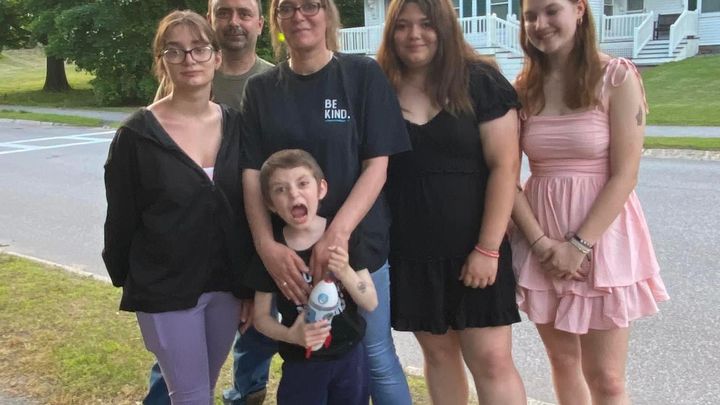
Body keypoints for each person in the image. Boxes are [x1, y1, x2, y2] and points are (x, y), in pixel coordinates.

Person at [240, 0, 413, 402]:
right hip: (290, 253)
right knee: (307, 356)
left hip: (356, 244)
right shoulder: (261, 90)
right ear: (275, 20)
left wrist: (337, 235)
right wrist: (266, 245)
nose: (299, 15)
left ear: (329, 13)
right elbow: (251, 175)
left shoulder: (362, 75)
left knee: (374, 355)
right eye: (287, 7)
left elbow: (377, 166)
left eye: (311, 5)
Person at [510, 0, 669, 403]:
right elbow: (506, 177)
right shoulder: (522, 88)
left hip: (602, 239)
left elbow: (625, 175)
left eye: (551, 11)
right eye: (530, 16)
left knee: (606, 378)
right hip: (540, 238)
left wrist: (578, 246)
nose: (540, 24)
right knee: (563, 361)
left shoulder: (617, 77)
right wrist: (543, 246)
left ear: (579, 10)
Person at [376, 0, 527, 404]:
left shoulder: (480, 81)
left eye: (426, 24)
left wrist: (488, 249)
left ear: (444, 27)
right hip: (410, 253)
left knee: (492, 360)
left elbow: (506, 167)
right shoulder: (381, 88)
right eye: (403, 26)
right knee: (440, 358)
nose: (414, 34)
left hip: (475, 249)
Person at [103, 10, 252, 404]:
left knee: (201, 388)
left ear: (216, 57)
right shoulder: (136, 135)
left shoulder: (237, 126)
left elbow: (246, 212)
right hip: (165, 289)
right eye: (175, 50)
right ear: (162, 61)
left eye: (199, 48)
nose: (189, 59)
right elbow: (120, 221)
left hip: (225, 288)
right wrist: (130, 279)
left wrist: (250, 285)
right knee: (191, 397)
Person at [143, 1, 276, 405]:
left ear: (259, 23)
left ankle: (247, 394)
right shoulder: (188, 73)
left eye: (243, 13)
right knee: (180, 360)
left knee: (256, 336)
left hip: (257, 238)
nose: (234, 22)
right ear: (210, 19)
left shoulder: (274, 83)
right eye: (223, 12)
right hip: (189, 256)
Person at [246, 149, 378, 404]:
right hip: (302, 363)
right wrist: (291, 336)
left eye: (303, 183)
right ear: (270, 204)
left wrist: (345, 271)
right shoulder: (274, 253)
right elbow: (261, 319)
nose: (294, 194)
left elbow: (370, 301)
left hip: (350, 359)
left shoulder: (342, 239)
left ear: (321, 189)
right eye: (280, 189)